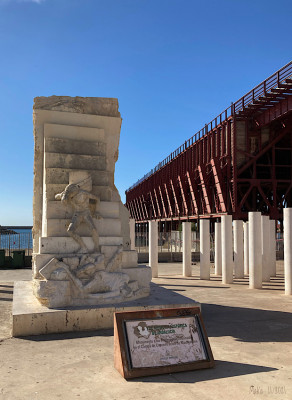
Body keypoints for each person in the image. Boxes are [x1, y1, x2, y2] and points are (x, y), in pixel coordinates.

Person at [55, 180, 101, 253]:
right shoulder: (67, 194)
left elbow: (97, 198)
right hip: (77, 215)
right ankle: (83, 247)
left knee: (93, 229)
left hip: (86, 213)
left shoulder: (83, 193)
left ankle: (96, 248)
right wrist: (61, 196)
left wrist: (95, 211)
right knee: (70, 231)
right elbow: (56, 196)